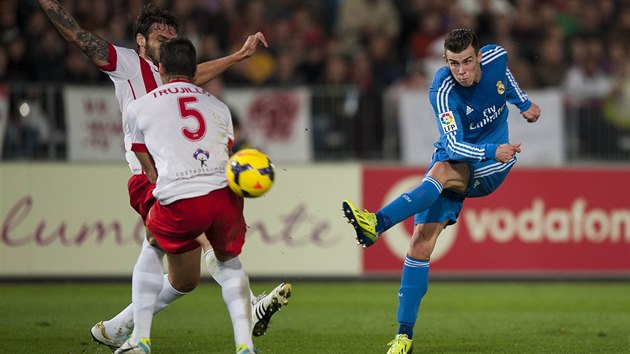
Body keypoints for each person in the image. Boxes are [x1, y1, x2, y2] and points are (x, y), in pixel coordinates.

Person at [37, 1, 291, 351]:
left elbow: (193, 75)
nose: (169, 39)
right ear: (141, 40)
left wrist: (238, 56)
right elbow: (77, 36)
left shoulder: (173, 74)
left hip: (182, 171)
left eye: (174, 35)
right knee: (208, 236)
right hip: (154, 175)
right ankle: (248, 306)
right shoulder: (127, 63)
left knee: (184, 280)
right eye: (160, 35)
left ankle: (115, 328)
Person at [342, 28, 541, 354]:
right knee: (420, 243)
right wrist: (493, 149)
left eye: (466, 62)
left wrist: (522, 102)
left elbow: (505, 77)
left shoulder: (496, 57)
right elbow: (452, 144)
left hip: (492, 167)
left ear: (478, 56)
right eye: (453, 64)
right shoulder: (442, 88)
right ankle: (404, 337)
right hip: (468, 156)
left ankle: (376, 223)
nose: (460, 71)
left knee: (440, 171)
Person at [121, 37, 255, 354]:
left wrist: (162, 184)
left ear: (162, 68)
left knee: (152, 248)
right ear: (195, 70)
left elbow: (143, 158)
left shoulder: (140, 106)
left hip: (181, 196)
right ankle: (245, 346)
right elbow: (226, 154)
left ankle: (140, 339)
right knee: (230, 263)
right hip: (223, 198)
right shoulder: (220, 107)